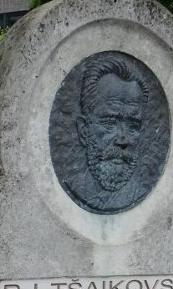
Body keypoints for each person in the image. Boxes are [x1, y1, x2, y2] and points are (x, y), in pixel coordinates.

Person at [62, 53, 151, 213]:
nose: (123, 140)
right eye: (110, 123)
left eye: (133, 126)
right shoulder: (69, 186)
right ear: (83, 131)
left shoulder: (142, 193)